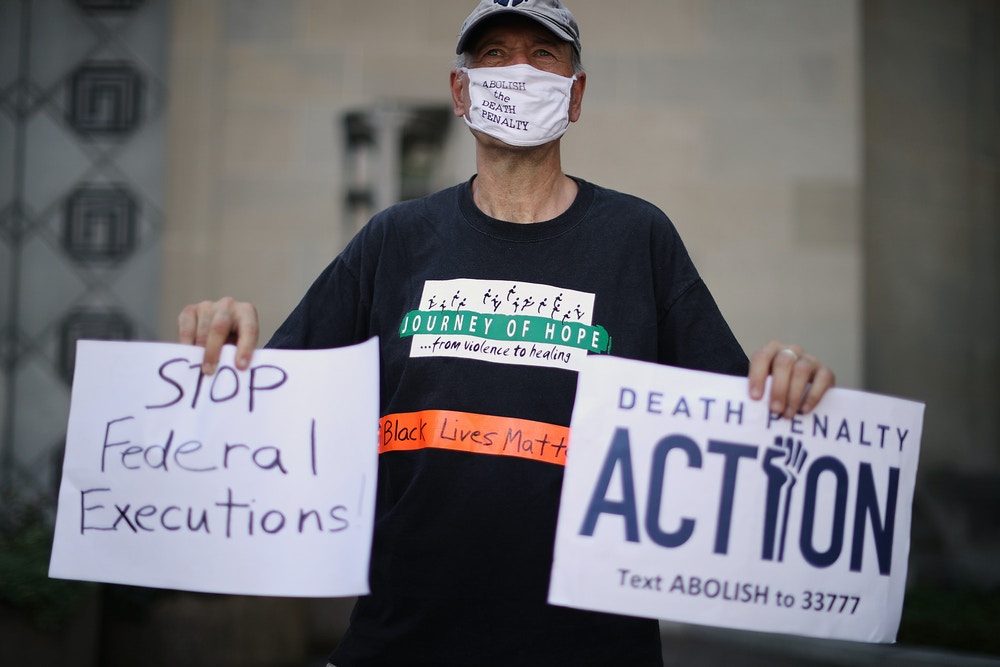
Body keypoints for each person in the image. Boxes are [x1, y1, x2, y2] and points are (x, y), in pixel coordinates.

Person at [178, 1, 835, 665]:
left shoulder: (639, 240)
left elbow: (737, 426)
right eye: (494, 55)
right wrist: (225, 341)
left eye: (543, 55)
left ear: (575, 96)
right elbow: (276, 404)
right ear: (460, 90)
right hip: (402, 646)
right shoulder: (395, 241)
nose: (517, 71)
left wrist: (787, 380)